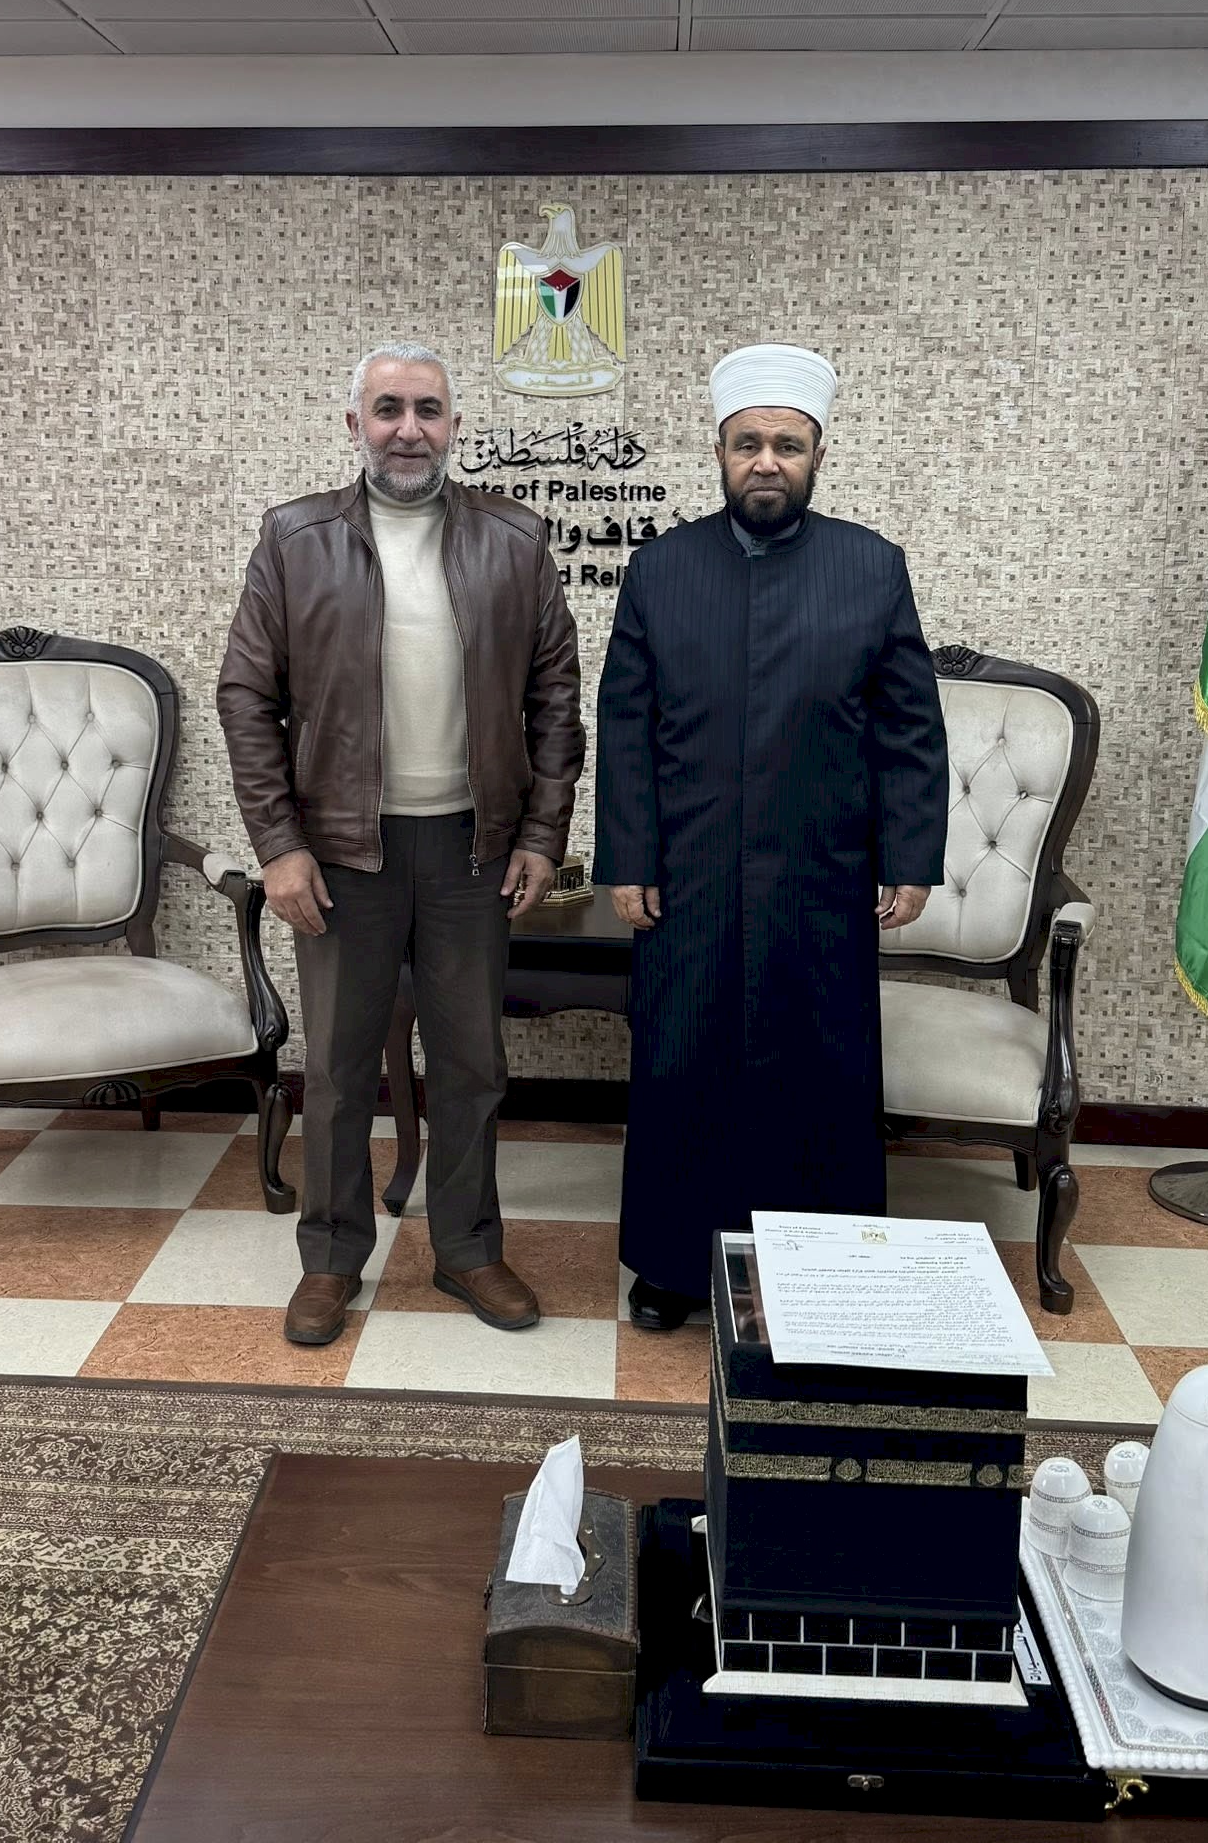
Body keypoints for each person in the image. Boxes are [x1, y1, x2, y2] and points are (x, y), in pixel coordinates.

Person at [218, 342, 584, 1346]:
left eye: (427, 409)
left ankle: (466, 1248)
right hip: (341, 855)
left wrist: (542, 833)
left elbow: (555, 696)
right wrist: (278, 845)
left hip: (474, 850)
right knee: (340, 1070)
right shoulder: (295, 538)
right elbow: (246, 696)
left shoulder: (514, 538)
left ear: (455, 424)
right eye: (388, 409)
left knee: (472, 1062)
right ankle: (332, 1259)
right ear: (355, 425)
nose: (408, 429)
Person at [594, 343, 948, 1331]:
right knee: (682, 1064)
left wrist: (909, 856)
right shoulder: (661, 569)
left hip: (820, 874)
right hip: (690, 875)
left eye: (786, 446)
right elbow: (624, 725)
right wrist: (628, 857)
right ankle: (672, 1265)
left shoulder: (870, 567)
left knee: (816, 1073)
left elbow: (909, 727)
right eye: (747, 442)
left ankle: (817, 1268)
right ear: (718, 451)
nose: (766, 461)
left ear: (818, 455)